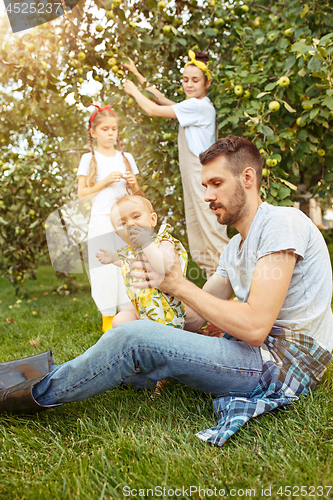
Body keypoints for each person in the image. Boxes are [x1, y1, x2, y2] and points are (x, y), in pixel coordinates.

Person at [1, 136, 332, 448]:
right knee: (133, 333)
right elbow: (193, 317)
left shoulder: (281, 222)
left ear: (248, 177)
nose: (206, 196)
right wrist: (153, 302)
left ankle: (20, 394)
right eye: (204, 186)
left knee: (134, 339)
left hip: (284, 364)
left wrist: (175, 286)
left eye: (216, 183)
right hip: (255, 356)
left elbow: (255, 327)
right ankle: (24, 375)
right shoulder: (234, 249)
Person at [123, 51, 229, 278]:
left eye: (195, 80)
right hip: (193, 177)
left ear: (207, 83)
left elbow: (153, 109)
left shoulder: (199, 107)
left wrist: (133, 91)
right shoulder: (191, 106)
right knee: (198, 236)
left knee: (211, 232)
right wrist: (138, 75)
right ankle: (216, 288)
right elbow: (161, 99)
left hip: (202, 177)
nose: (189, 84)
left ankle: (236, 289)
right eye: (185, 80)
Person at [77, 104, 142, 332]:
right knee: (103, 266)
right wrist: (104, 182)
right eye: (105, 129)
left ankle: (129, 315)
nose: (110, 133)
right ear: (93, 132)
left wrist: (133, 185)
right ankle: (107, 320)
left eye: (114, 128)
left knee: (127, 263)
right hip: (102, 218)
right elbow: (82, 195)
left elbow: (139, 196)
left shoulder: (126, 157)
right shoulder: (89, 158)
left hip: (125, 221)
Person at [96, 194, 188, 329]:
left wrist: (146, 243)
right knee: (119, 321)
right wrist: (114, 259)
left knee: (161, 332)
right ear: (118, 234)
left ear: (152, 220)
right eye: (123, 223)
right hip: (142, 306)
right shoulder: (133, 251)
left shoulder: (163, 241)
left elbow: (165, 267)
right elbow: (132, 266)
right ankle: (135, 340)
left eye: (136, 216)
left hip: (165, 308)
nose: (131, 224)